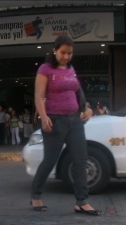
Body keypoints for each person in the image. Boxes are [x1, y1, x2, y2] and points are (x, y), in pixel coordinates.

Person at [31, 36, 101, 216]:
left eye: (70, 53)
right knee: (50, 161)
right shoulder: (45, 69)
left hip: (75, 121)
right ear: (55, 50)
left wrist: (86, 108)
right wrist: (44, 116)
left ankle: (81, 201)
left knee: (80, 160)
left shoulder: (71, 69)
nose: (66, 57)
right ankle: (36, 195)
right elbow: (39, 96)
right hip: (55, 120)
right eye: (63, 52)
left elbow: (78, 92)